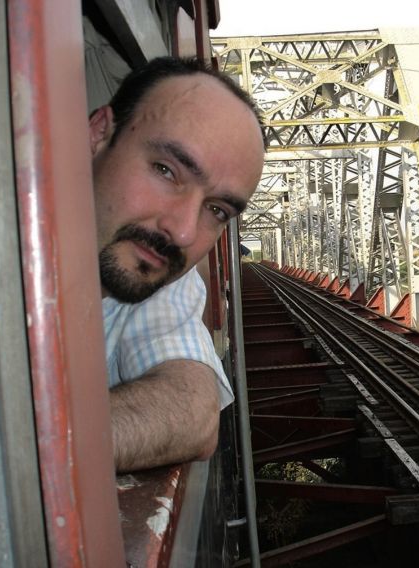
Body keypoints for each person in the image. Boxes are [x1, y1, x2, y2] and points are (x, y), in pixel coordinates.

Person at [88, 57, 265, 472]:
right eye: (167, 171)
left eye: (217, 210)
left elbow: (193, 410)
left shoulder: (152, 268)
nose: (183, 232)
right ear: (97, 134)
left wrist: (20, 453)